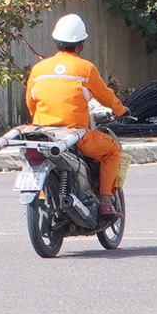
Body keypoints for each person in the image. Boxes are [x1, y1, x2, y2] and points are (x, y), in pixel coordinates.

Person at [25, 13, 123, 216]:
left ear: (56, 41)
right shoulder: (85, 68)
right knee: (112, 150)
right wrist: (121, 110)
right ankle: (105, 201)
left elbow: (30, 101)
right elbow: (105, 96)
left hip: (41, 133)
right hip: (75, 135)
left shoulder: (39, 68)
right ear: (81, 44)